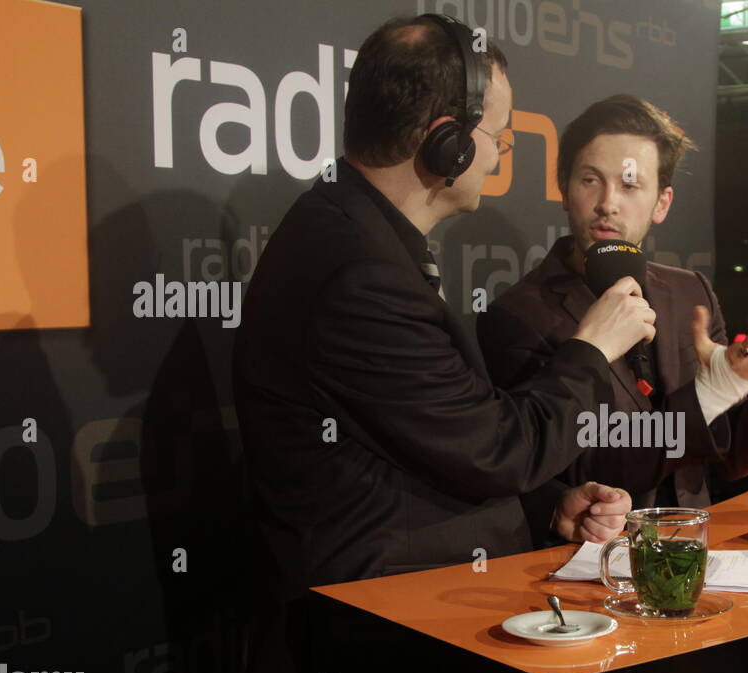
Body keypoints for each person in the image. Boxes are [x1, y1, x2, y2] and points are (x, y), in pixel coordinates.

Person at [233, 16, 660, 600]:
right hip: (391, 620)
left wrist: (551, 505)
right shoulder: (362, 277)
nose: (496, 158)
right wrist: (591, 350)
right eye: (497, 137)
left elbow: (434, 441)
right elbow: (496, 450)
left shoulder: (360, 238)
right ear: (448, 141)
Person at [479, 95, 748, 510]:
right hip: (589, 558)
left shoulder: (689, 293)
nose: (608, 203)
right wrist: (709, 395)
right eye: (591, 180)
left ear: (661, 203)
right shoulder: (520, 315)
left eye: (629, 185)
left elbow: (728, 455)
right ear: (564, 189)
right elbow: (585, 464)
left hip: (690, 550)